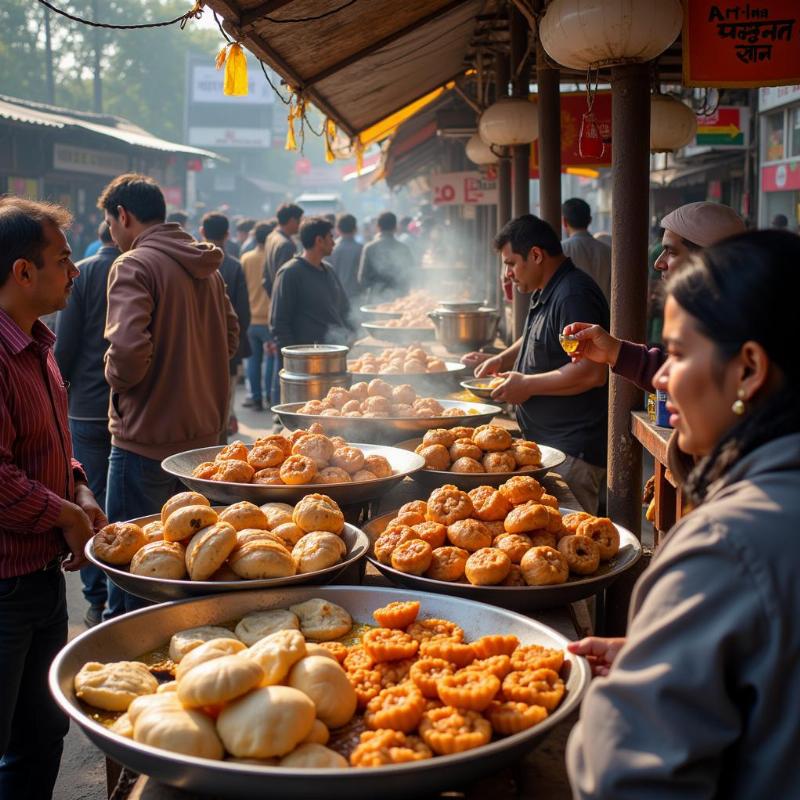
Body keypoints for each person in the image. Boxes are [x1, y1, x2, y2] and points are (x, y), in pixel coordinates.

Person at [567, 229, 800, 798]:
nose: (663, 379)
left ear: (748, 368)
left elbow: (623, 780)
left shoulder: (727, 544)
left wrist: (616, 702)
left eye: (673, 354)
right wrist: (672, 651)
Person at [0, 197, 106, 799]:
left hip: (40, 582)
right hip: (5, 584)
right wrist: (64, 513)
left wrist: (81, 487)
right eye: (64, 260)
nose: (74, 271)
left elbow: (48, 449)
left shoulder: (38, 346)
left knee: (41, 737)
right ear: (23, 272)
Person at [99, 174, 239, 616]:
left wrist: (117, 382)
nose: (113, 233)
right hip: (202, 443)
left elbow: (125, 352)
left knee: (132, 566)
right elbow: (231, 337)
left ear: (123, 215)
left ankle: (122, 654)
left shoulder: (134, 264)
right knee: (187, 567)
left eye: (111, 222)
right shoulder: (206, 267)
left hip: (144, 441)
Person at [463, 214, 609, 513]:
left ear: (536, 255)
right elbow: (534, 336)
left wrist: (527, 385)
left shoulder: (573, 295)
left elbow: (591, 372)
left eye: (511, 263)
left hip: (572, 451)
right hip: (549, 444)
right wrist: (502, 357)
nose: (509, 274)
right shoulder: (547, 289)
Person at [563, 201, 745, 394]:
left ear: (708, 260)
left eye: (672, 252)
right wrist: (614, 351)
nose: (659, 263)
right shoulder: (712, 314)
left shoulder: (735, 325)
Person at [53, 221, 119, 627]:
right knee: (115, 508)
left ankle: (98, 598)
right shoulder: (145, 268)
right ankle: (124, 592)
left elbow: (66, 344)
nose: (70, 270)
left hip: (89, 406)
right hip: (131, 411)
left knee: (94, 505)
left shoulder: (89, 270)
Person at [200, 212, 252, 438]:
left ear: (202, 232)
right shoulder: (233, 266)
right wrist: (233, 345)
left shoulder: (192, 263)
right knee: (223, 404)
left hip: (199, 349)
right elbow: (243, 312)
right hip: (227, 349)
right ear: (228, 234)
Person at [271, 217, 355, 352]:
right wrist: (296, 358)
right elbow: (279, 324)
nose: (334, 243)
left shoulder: (329, 270)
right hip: (307, 359)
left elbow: (344, 309)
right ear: (319, 241)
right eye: (330, 237)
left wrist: (351, 334)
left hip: (334, 353)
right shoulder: (290, 273)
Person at [241, 221, 277, 411]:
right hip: (270, 319)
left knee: (253, 360)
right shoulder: (273, 258)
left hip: (251, 318)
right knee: (272, 358)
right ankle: (270, 396)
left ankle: (255, 398)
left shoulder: (246, 258)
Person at [561, 198, 612, 302]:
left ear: (564, 222)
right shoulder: (609, 251)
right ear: (590, 220)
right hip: (603, 315)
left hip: (572, 315)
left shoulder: (560, 250)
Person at [357, 211, 414, 302]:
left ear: (378, 227)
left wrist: (376, 288)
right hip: (399, 301)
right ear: (396, 228)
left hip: (375, 300)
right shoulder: (404, 249)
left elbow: (362, 279)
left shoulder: (370, 248)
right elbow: (410, 275)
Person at [262, 203, 303, 295]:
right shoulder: (286, 245)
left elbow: (265, 277)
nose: (300, 225)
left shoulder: (271, 236)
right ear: (292, 220)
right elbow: (287, 281)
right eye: (299, 221)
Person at [328, 213, 363, 299]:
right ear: (355, 229)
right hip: (356, 296)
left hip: (334, 295)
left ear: (337, 229)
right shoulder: (361, 249)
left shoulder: (330, 248)